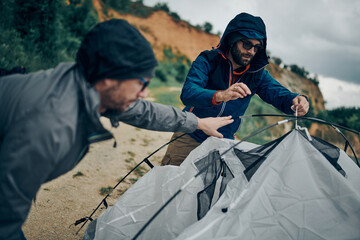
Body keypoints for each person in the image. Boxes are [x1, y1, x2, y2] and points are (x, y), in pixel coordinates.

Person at [0, 19, 234, 240]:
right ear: (109, 79)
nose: (143, 94)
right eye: (141, 83)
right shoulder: (52, 125)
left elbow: (144, 111)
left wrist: (198, 122)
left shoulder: (85, 84)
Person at [161, 12, 309, 166]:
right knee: (169, 183)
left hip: (222, 144)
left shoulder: (257, 75)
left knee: (209, 190)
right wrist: (220, 95)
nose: (251, 51)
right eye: (247, 44)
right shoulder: (208, 60)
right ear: (233, 40)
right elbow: (188, 93)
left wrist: (297, 100)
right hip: (190, 134)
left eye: (257, 47)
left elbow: (280, 95)